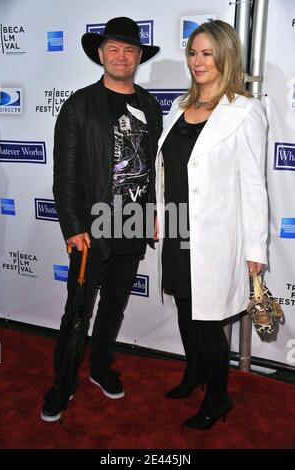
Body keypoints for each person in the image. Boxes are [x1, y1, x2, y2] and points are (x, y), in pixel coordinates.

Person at [41, 17, 162, 422]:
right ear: (100, 54)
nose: (121, 56)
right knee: (78, 310)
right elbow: (65, 173)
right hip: (91, 229)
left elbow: (151, 171)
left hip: (132, 225)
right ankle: (62, 384)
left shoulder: (149, 105)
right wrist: (72, 226)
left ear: (139, 57)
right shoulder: (78, 104)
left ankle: (100, 368)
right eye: (113, 48)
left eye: (129, 49)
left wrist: (153, 216)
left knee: (113, 305)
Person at [155, 20, 268, 429]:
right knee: (186, 309)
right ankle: (194, 373)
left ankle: (219, 399)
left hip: (215, 236)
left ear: (225, 57)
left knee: (207, 323)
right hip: (176, 228)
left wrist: (256, 249)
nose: (197, 61)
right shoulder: (179, 106)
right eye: (193, 52)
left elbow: (255, 185)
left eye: (207, 53)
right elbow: (166, 170)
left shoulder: (245, 110)